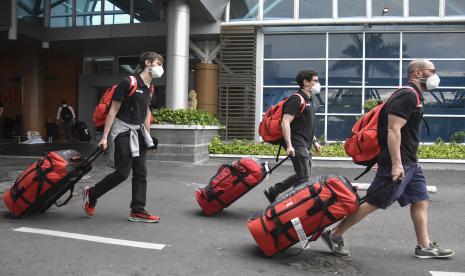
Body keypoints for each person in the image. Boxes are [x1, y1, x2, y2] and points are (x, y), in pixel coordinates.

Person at [321, 59, 454, 259]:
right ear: (418, 73)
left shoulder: (414, 95)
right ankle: (334, 234)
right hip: (400, 162)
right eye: (431, 70)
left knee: (420, 199)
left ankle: (424, 245)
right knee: (374, 201)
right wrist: (395, 164)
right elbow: (393, 130)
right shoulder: (407, 95)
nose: (435, 74)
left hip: (410, 162)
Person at [82, 51, 163, 223]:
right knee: (122, 173)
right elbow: (113, 110)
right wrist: (104, 137)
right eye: (158, 63)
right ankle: (92, 193)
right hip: (122, 131)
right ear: (148, 64)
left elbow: (146, 113)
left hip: (139, 132)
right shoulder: (129, 82)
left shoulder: (151, 87)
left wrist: (149, 138)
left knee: (141, 172)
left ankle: (137, 210)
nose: (160, 67)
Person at [263, 69, 322, 203]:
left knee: (302, 174)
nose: (318, 84)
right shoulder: (296, 99)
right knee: (304, 177)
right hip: (296, 142)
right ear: (305, 82)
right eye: (315, 81)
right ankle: (288, 204)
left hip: (305, 142)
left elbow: (306, 124)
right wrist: (289, 145)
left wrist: (315, 141)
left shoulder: (309, 100)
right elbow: (285, 121)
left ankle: (273, 191)